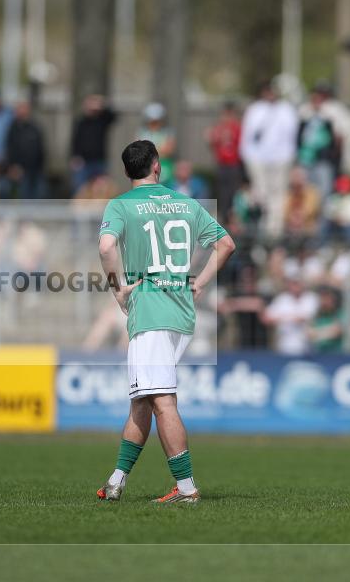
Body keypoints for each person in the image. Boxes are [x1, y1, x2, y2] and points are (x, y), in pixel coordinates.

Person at [96, 140, 235, 504]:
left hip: (151, 311)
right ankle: (116, 481)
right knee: (143, 399)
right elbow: (227, 244)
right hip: (180, 312)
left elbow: (106, 247)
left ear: (127, 172)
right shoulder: (186, 203)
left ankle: (186, 488)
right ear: (157, 167)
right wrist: (200, 283)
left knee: (161, 400)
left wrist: (118, 290)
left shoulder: (122, 205)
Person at [239, 80, 299, 239]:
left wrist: (288, 157)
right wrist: (249, 158)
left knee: (278, 196)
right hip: (258, 160)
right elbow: (248, 137)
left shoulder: (286, 110)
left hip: (280, 160)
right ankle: (259, 231)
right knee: (260, 195)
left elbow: (291, 136)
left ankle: (274, 232)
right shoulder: (255, 110)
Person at [296, 85, 340, 198]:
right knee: (307, 190)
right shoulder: (304, 117)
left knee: (324, 190)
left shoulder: (328, 117)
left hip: (323, 159)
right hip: (306, 160)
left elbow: (335, 139)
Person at [70, 94, 116, 195]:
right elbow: (75, 141)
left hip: (99, 161)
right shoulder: (81, 122)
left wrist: (102, 105)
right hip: (83, 162)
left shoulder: (102, 120)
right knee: (80, 188)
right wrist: (75, 156)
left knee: (101, 189)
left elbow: (113, 116)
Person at [261, 273, 318, 355]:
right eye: (293, 283)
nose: (295, 286)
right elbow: (266, 318)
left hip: (307, 348)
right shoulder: (282, 299)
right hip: (284, 346)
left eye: (297, 283)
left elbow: (303, 318)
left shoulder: (311, 298)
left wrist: (280, 317)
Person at [206, 101, 242, 216]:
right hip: (222, 164)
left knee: (233, 192)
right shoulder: (218, 128)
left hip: (234, 164)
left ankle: (231, 215)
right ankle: (222, 214)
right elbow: (212, 142)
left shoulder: (237, 127)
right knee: (221, 191)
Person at [5, 101, 46, 199]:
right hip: (20, 170)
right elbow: (10, 149)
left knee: (41, 196)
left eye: (25, 109)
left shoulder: (34, 127)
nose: (23, 112)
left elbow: (40, 148)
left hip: (36, 170)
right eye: (21, 109)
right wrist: (13, 166)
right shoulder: (13, 129)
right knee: (24, 197)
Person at [136, 103, 176, 185]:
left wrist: (148, 151)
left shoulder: (167, 132)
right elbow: (137, 149)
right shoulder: (142, 132)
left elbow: (168, 150)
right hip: (145, 167)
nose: (155, 123)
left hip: (164, 166)